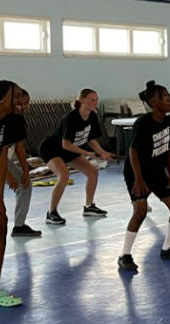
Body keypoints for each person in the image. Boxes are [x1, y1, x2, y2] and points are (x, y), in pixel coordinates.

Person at [118, 81, 170, 272]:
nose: (169, 99)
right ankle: (125, 255)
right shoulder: (144, 123)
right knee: (140, 211)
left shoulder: (167, 122)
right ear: (153, 101)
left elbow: (168, 150)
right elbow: (133, 151)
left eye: (168, 95)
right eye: (164, 97)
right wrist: (139, 180)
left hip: (157, 172)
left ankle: (167, 248)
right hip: (136, 171)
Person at [38, 88, 115, 224]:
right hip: (51, 149)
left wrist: (102, 152)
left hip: (70, 150)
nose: (95, 103)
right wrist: (88, 153)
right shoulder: (72, 117)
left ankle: (89, 206)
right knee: (64, 175)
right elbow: (66, 144)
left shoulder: (92, 116)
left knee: (93, 172)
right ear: (82, 100)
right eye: (92, 100)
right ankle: (52, 213)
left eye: (96, 100)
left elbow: (91, 139)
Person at [0, 80, 23, 307]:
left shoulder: (9, 122)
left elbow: (1, 158)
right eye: (18, 96)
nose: (22, 101)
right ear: (3, 98)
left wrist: (0, 200)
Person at [3, 89, 39, 237]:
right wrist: (7, 175)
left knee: (25, 185)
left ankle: (19, 225)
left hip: (1, 158)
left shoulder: (18, 119)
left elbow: (19, 146)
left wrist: (25, 171)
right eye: (20, 103)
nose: (24, 106)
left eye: (26, 104)